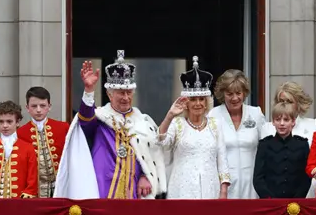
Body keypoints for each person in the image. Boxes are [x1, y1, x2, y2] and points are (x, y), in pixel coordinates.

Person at [53, 50, 166, 199]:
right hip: (102, 188)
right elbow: (86, 120)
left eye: (129, 92)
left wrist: (146, 175)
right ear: (109, 94)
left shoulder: (143, 122)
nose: (125, 97)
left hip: (133, 192)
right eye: (120, 92)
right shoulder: (100, 118)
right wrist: (89, 90)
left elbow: (152, 153)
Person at [157, 58, 231, 199]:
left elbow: (222, 160)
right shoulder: (177, 124)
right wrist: (169, 116)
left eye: (201, 99)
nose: (198, 103)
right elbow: (162, 142)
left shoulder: (215, 124)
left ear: (206, 101)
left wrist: (223, 190)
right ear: (186, 102)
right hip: (182, 189)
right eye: (193, 99)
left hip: (210, 189)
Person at [208, 69, 265, 199]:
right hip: (223, 185)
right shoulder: (213, 116)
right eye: (229, 94)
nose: (235, 98)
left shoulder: (256, 114)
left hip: (252, 184)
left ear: (244, 93)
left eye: (238, 93)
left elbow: (266, 147)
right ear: (222, 94)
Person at [268, 81, 316, 198]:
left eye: (289, 101)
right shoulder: (267, 128)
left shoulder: (314, 125)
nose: (285, 105)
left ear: (298, 103)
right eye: (281, 101)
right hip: (275, 191)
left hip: (306, 189)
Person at [0, 101, 38, 198]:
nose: (5, 125)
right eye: (1, 121)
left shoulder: (28, 148)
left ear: (17, 122)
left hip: (18, 204)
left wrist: (28, 193)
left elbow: (32, 178)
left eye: (9, 121)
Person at [17, 87, 70, 198]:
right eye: (34, 106)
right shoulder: (20, 133)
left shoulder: (63, 128)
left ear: (49, 107)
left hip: (61, 187)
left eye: (42, 105)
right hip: (35, 191)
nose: (38, 110)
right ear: (27, 108)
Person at [253, 102, 311, 199]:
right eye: (278, 119)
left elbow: (306, 177)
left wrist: (297, 198)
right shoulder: (265, 145)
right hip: (270, 202)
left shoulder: (302, 145)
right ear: (273, 122)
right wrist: (269, 199)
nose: (282, 123)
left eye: (286, 119)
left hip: (296, 202)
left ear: (293, 122)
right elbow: (258, 178)